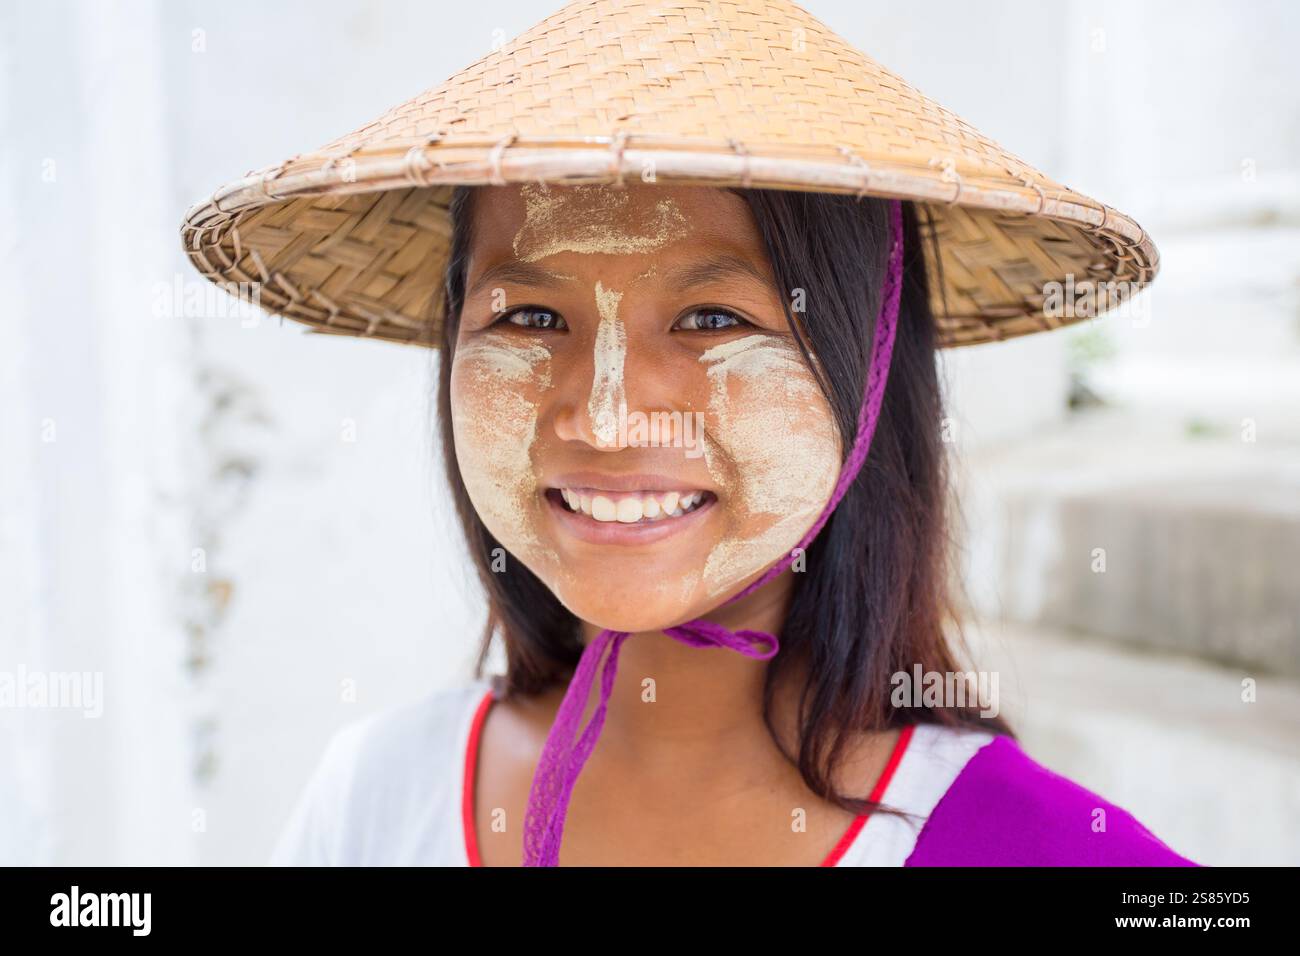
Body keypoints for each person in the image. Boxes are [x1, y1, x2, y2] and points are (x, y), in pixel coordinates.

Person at [181, 0, 1194, 866]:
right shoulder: (372, 800)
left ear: (868, 369)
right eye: (529, 318)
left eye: (714, 320)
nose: (608, 418)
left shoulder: (1041, 844)